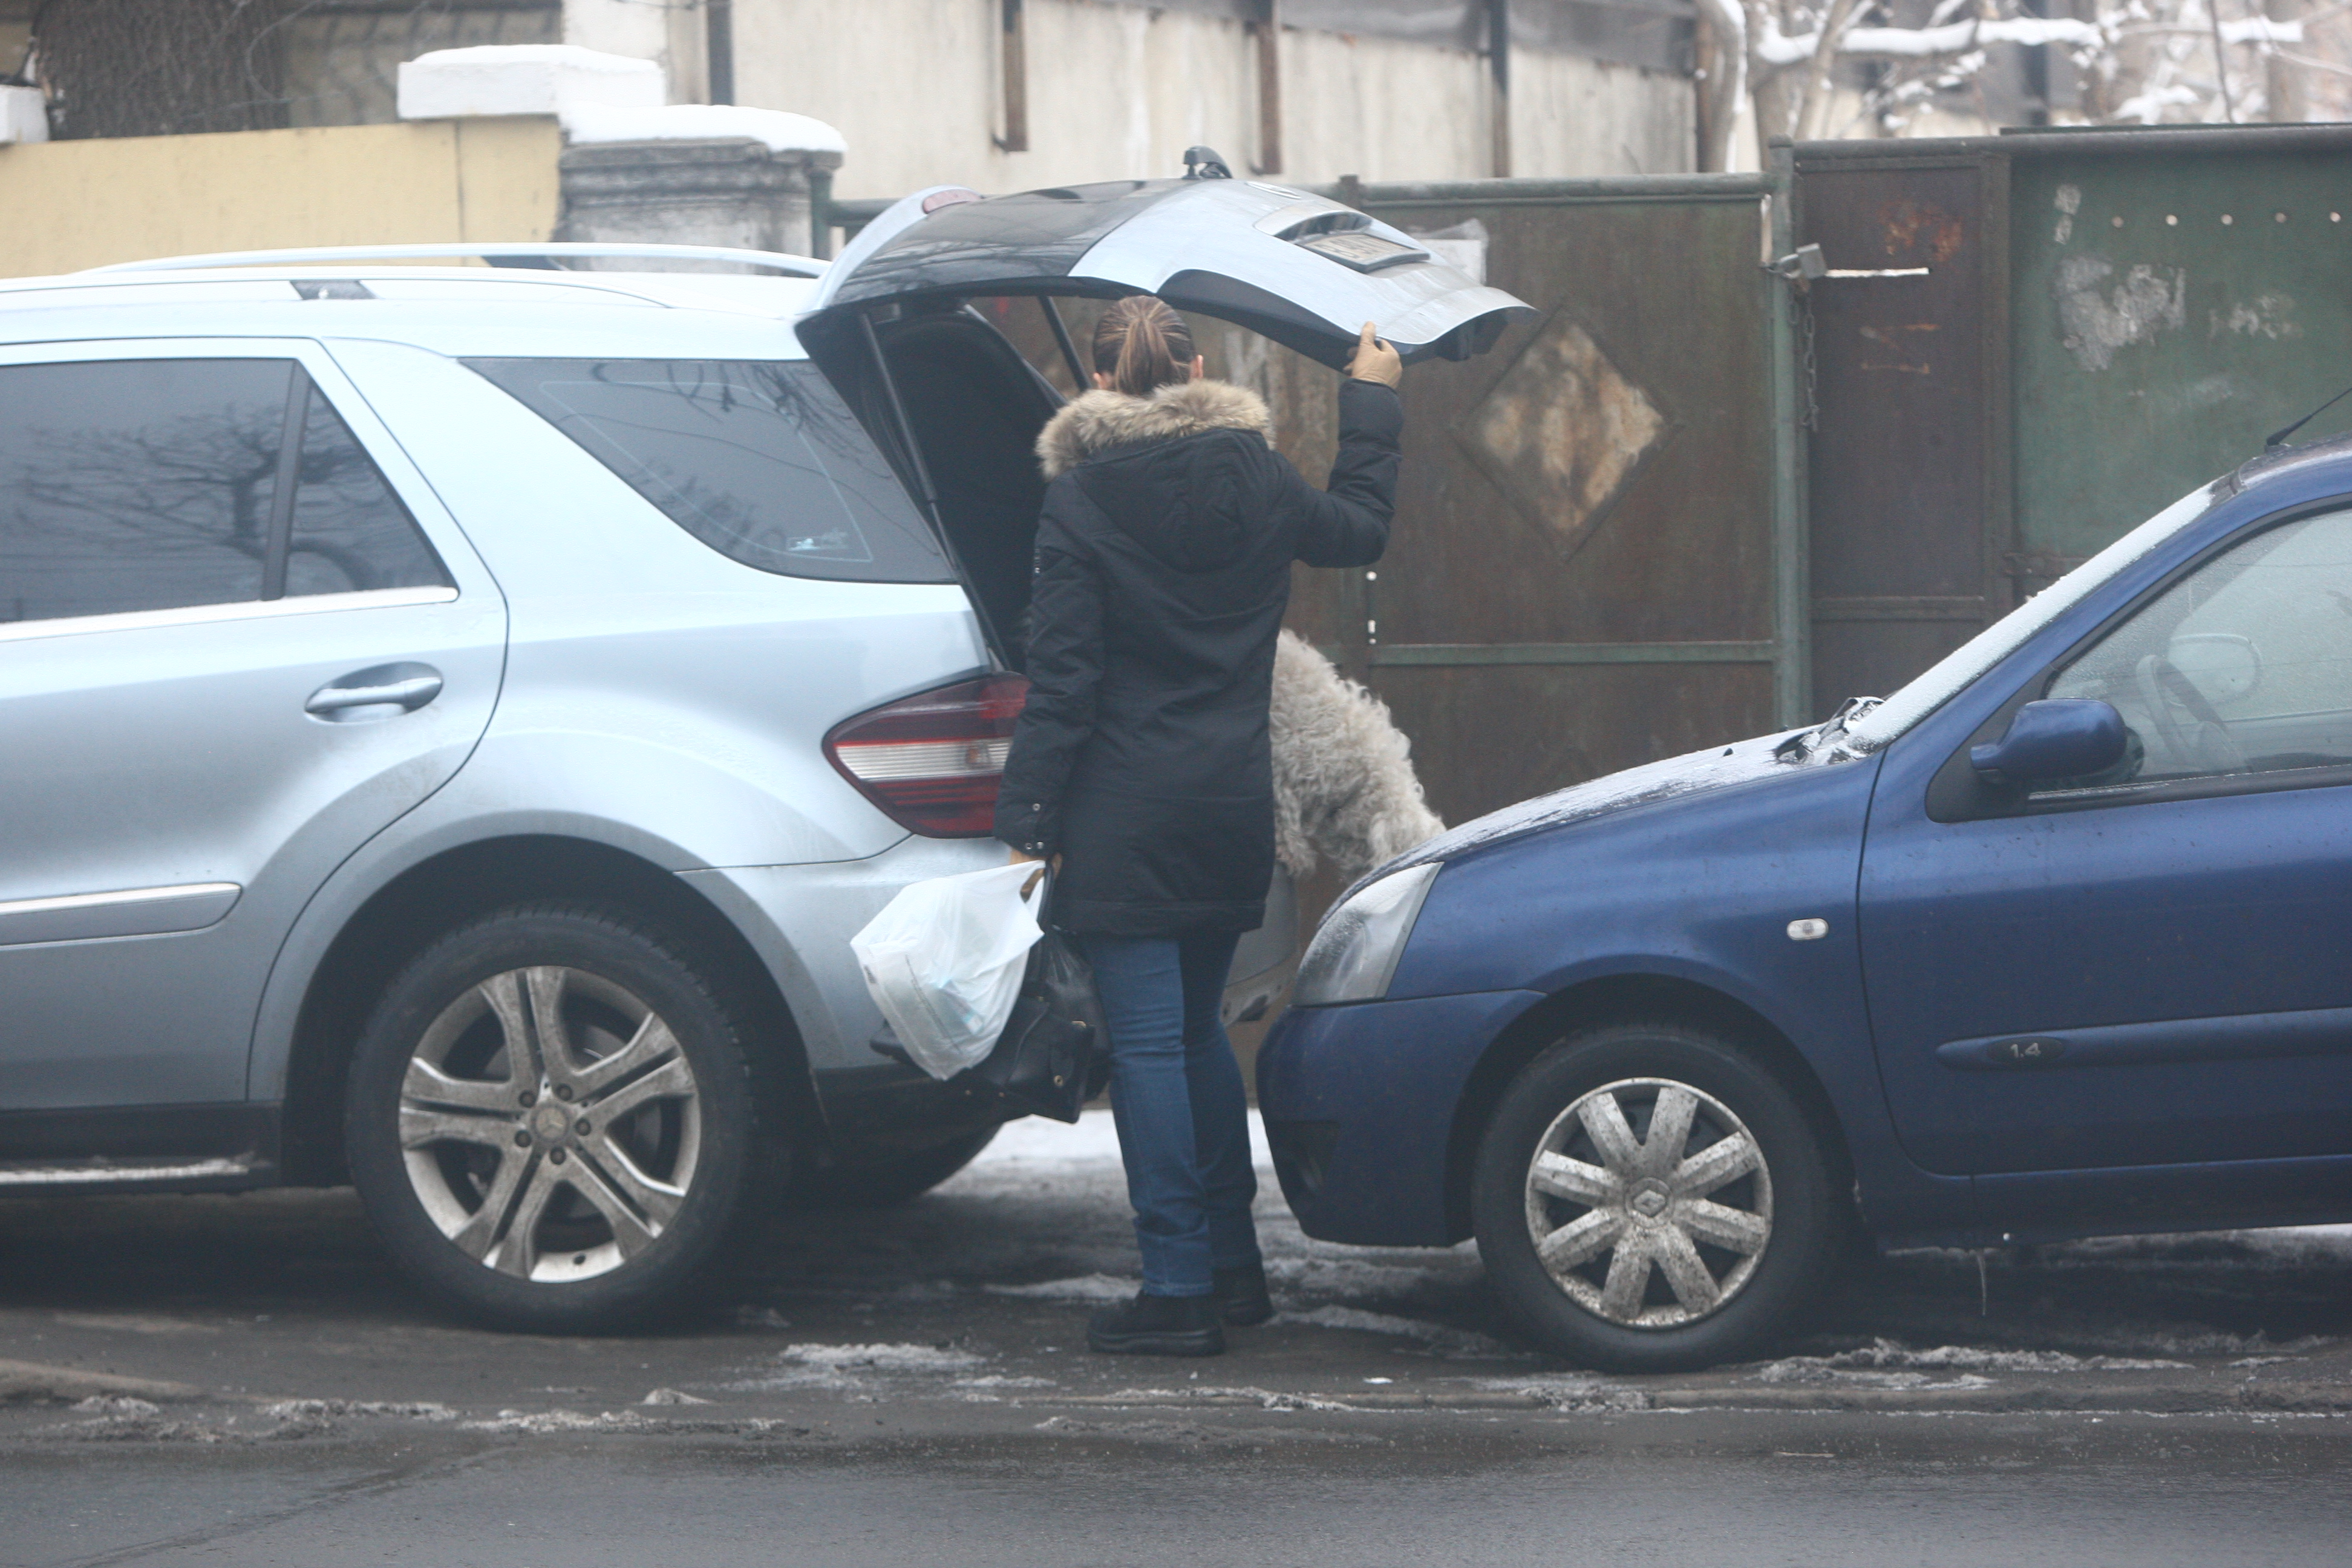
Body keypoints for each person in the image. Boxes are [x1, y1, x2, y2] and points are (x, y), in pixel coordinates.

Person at [998, 295, 1404, 1356]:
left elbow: (1066, 682)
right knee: (1194, 1036)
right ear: (1202, 368)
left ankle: (1175, 1289)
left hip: (1124, 814)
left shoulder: (1081, 502)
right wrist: (1370, 401)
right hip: (1231, 807)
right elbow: (1360, 527)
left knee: (1144, 1049)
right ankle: (1233, 1272)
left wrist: (1028, 819)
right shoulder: (1259, 479)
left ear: (1096, 385)